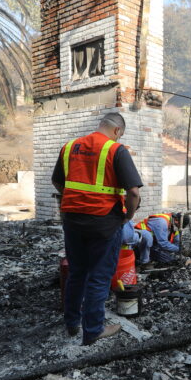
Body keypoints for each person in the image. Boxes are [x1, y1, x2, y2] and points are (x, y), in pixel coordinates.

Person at [52, 112, 143, 346]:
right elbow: (133, 192)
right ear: (117, 131)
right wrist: (128, 216)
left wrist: (73, 199)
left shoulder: (70, 147)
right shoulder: (115, 150)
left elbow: (57, 181)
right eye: (120, 136)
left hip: (72, 221)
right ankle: (93, 331)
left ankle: (72, 324)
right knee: (99, 277)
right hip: (103, 223)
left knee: (77, 272)